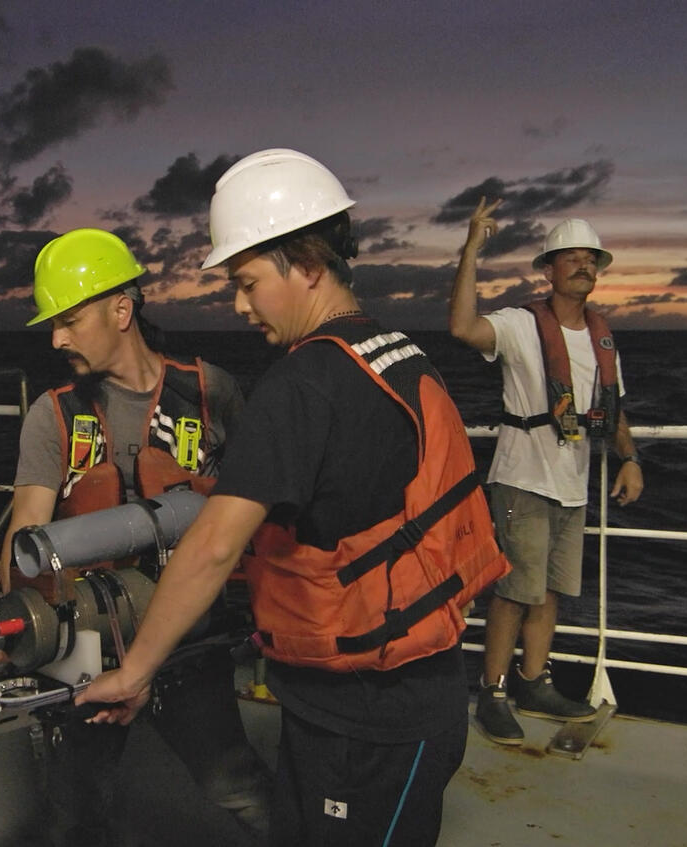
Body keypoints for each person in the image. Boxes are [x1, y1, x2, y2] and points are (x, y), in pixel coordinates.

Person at [80, 149, 509, 847]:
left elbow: (216, 543)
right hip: (397, 697)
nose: (240, 304)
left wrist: (133, 672)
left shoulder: (301, 385)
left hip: (369, 728)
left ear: (307, 263)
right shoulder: (390, 351)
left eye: (247, 281)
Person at [0, 227, 270, 846]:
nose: (57, 337)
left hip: (187, 636)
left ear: (122, 310)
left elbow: (254, 511)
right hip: (84, 645)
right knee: (75, 810)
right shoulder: (54, 414)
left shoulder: (211, 392)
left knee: (237, 786)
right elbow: (27, 536)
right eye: (52, 324)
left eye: (69, 319)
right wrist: (14, 631)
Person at [448, 198, 644, 746]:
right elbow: (462, 326)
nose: (584, 266)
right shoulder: (518, 325)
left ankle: (534, 681)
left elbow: (615, 404)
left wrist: (629, 458)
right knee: (513, 590)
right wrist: (470, 250)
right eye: (572, 257)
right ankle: (492, 692)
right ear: (549, 269)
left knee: (550, 589)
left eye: (591, 259)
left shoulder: (602, 337)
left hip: (573, 481)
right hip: (523, 477)